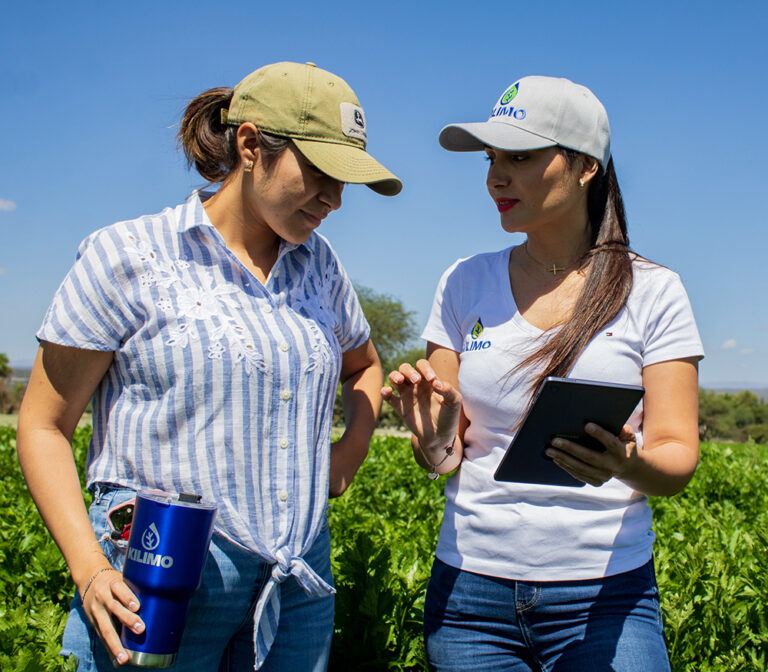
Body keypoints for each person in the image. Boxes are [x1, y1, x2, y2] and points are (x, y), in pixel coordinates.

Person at [17, 61, 401, 671]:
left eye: (343, 181)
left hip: (297, 583)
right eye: (319, 172)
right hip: (158, 574)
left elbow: (364, 366)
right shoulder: (130, 255)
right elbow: (44, 426)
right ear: (250, 145)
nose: (333, 198)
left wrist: (346, 458)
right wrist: (88, 568)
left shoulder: (319, 265)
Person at [382, 75, 702, 671]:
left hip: (606, 596)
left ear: (586, 167)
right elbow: (444, 460)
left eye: (520, 157)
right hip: (469, 597)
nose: (495, 178)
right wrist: (434, 438)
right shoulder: (463, 281)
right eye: (491, 159)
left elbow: (677, 456)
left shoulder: (654, 290)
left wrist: (626, 464)